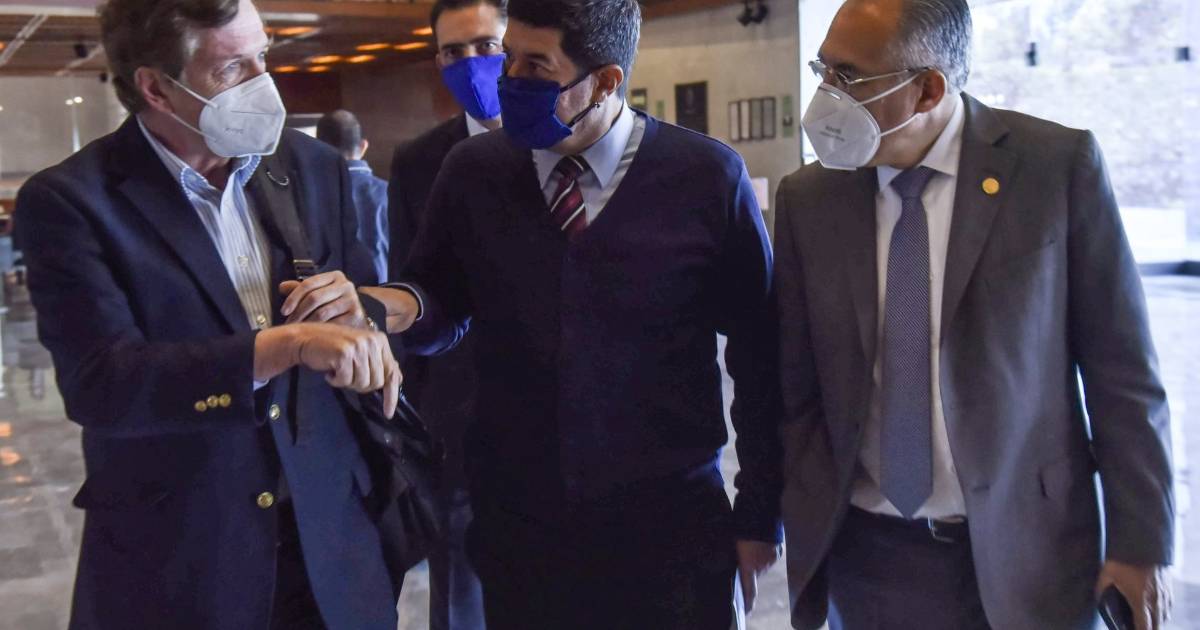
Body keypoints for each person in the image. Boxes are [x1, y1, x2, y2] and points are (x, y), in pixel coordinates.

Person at [374, 0, 784, 625]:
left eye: (537, 65)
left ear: (606, 81)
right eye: (510, 57)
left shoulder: (705, 177)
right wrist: (391, 306)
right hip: (521, 526)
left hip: (668, 525)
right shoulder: (474, 171)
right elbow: (439, 298)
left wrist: (759, 514)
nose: (510, 79)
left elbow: (759, 359)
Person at [774, 1, 1174, 629]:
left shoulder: (1053, 168)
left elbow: (1122, 372)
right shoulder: (809, 198)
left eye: (849, 76)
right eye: (824, 70)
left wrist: (1141, 542)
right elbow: (794, 385)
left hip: (1032, 551)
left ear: (928, 89)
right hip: (868, 559)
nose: (828, 94)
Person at [15, 0, 406, 627]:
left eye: (263, 56)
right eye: (232, 68)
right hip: (182, 556)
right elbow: (102, 385)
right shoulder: (72, 202)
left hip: (330, 540)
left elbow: (362, 299)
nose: (263, 82)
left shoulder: (312, 167)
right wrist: (285, 345)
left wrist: (359, 312)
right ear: (155, 88)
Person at [386, 0, 507, 627]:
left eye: (486, 46)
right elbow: (413, 287)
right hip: (459, 416)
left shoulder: (570, 141)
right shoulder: (418, 162)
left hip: (567, 420)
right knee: (460, 595)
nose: (471, 63)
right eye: (454, 52)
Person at [317, 109, 389, 284]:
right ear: (363, 146)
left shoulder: (311, 192)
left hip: (331, 296)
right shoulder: (389, 191)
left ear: (318, 147)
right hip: (388, 294)